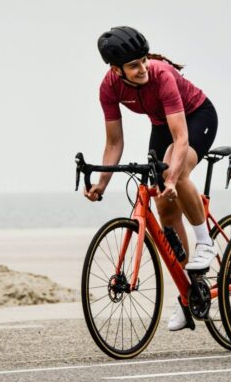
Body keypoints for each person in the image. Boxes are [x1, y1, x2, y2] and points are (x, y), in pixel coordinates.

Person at [86, 26, 218, 331]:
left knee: (178, 171)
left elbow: (181, 138)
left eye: (144, 60)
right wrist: (101, 184)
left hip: (197, 117)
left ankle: (205, 242)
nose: (143, 68)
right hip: (162, 125)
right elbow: (114, 144)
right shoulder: (108, 88)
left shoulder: (162, 75)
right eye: (134, 65)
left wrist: (172, 176)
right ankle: (189, 293)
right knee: (162, 204)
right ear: (116, 70)